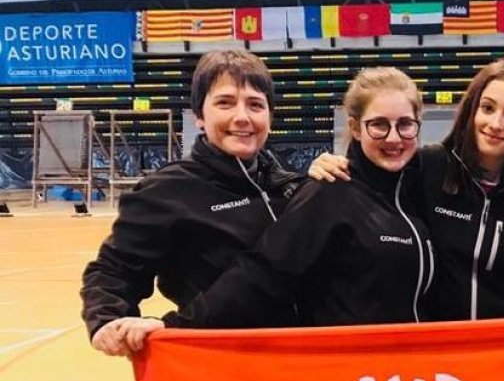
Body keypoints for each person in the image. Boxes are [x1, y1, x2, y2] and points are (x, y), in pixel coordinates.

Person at [160, 66, 435, 329]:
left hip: (411, 360)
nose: (393, 138)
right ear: (354, 127)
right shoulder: (329, 191)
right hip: (350, 359)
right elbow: (264, 271)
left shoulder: (418, 189)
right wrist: (179, 324)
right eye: (378, 125)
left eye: (405, 124)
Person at [81, 50, 304, 356]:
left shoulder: (290, 186)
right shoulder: (166, 191)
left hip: (302, 360)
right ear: (199, 116)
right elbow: (115, 269)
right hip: (220, 362)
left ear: (269, 116)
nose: (242, 117)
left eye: (255, 104)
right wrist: (106, 319)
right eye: (225, 103)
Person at [308, 58, 504, 321]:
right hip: (436, 340)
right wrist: (334, 163)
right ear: (471, 109)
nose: (496, 123)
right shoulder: (429, 167)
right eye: (487, 108)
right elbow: (376, 170)